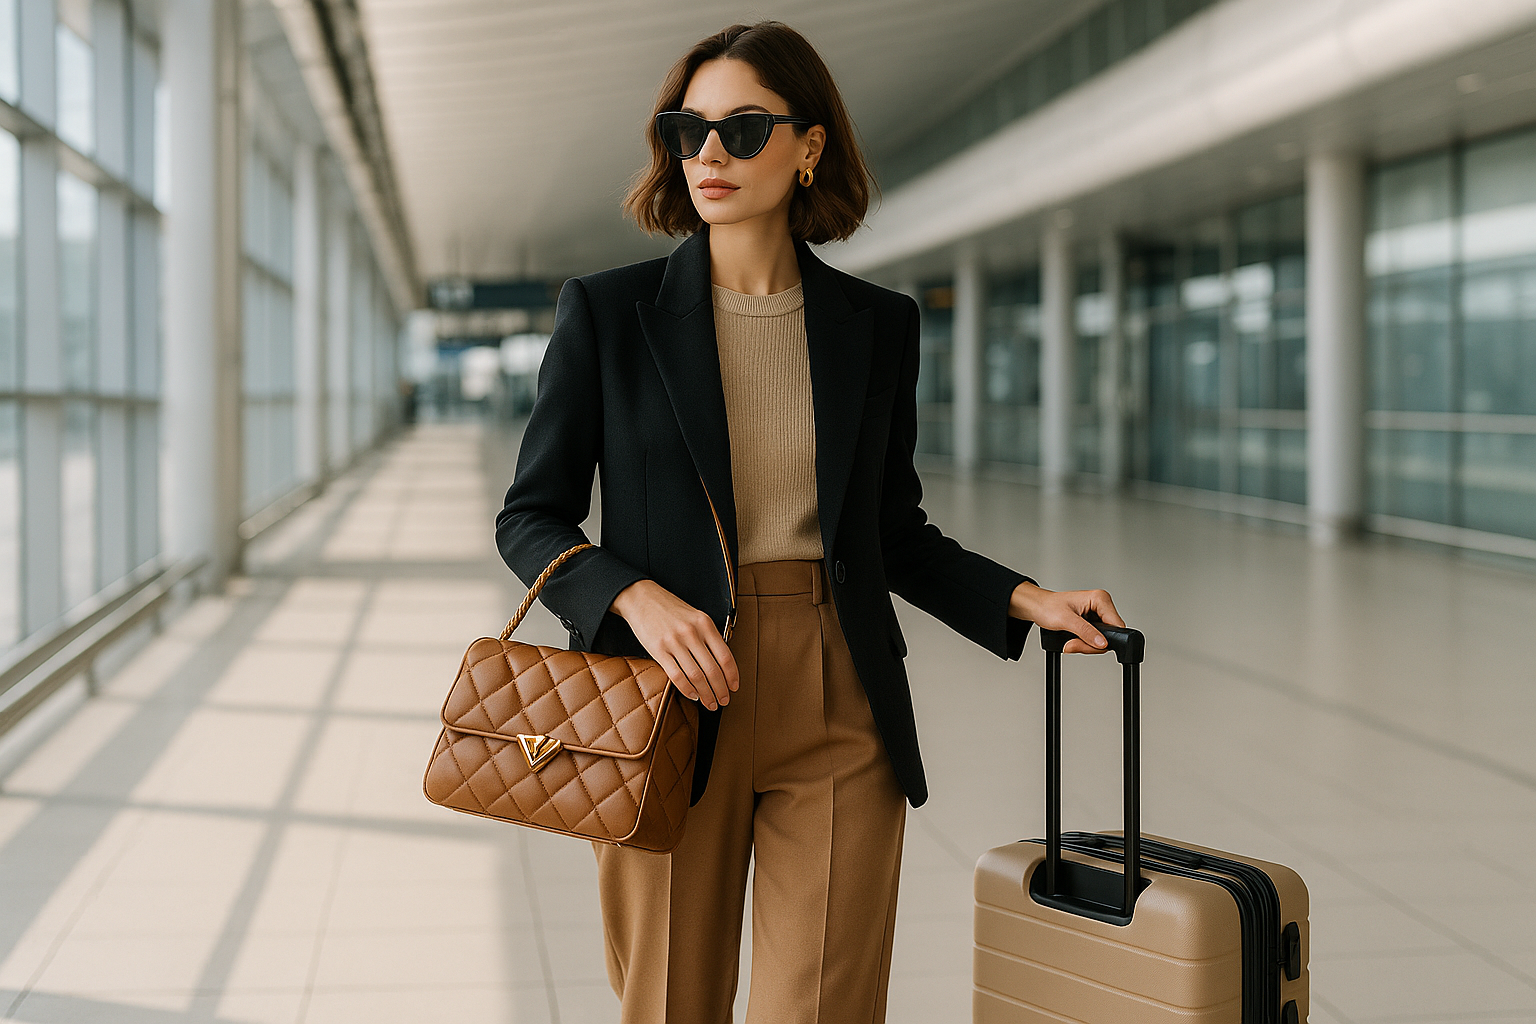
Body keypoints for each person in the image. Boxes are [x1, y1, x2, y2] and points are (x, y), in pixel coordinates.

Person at [495, 20, 1125, 1024]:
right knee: (668, 1001)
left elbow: (892, 529)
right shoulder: (607, 315)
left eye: (743, 129)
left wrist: (1022, 599)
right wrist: (634, 596)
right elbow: (531, 516)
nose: (708, 154)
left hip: (838, 695)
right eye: (686, 129)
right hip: (662, 697)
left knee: (826, 1007)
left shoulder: (876, 326)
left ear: (810, 145)